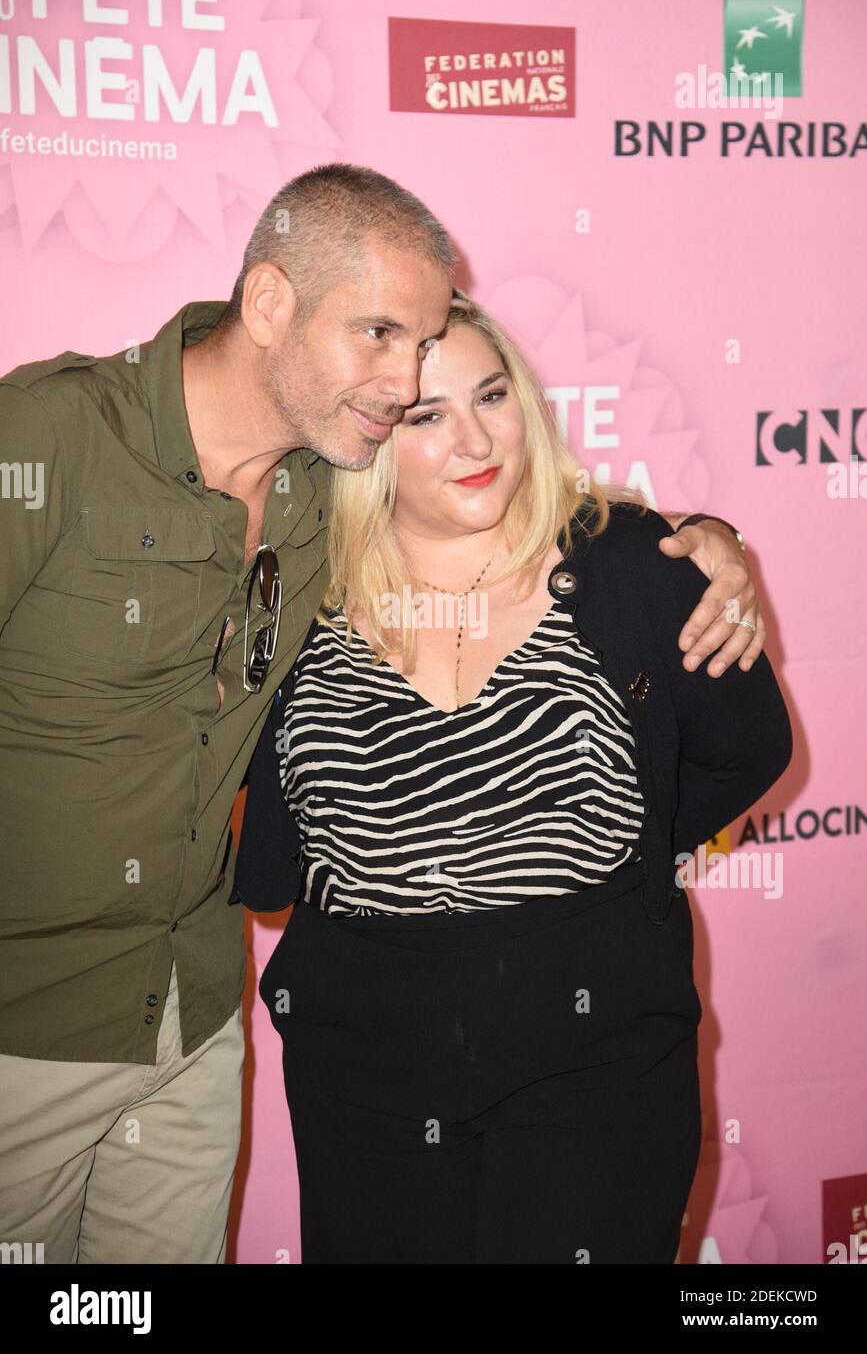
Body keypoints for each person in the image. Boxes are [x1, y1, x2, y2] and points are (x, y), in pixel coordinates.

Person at [0, 163, 767, 1265]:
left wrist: (713, 539)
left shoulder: (337, 489)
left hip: (199, 1033)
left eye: (447, 363)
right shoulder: (73, 443)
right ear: (270, 305)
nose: (407, 382)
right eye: (385, 344)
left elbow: (673, 662)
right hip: (50, 1032)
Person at [233, 288, 793, 1265]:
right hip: (363, 1074)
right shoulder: (300, 590)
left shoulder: (629, 563)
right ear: (370, 434)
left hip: (596, 1066)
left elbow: (747, 748)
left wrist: (591, 856)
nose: (474, 439)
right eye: (426, 414)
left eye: (491, 396)